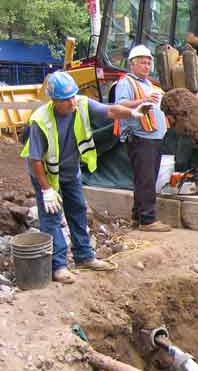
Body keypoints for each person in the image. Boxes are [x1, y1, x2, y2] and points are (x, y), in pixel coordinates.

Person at [20, 72, 152, 284]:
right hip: (46, 175)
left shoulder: (81, 104)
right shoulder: (40, 120)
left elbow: (109, 110)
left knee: (78, 209)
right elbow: (35, 159)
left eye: (74, 96)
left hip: (71, 170)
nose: (72, 102)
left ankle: (84, 256)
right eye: (66, 99)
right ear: (54, 100)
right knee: (51, 217)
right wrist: (46, 191)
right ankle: (58, 266)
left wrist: (132, 113)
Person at [114, 45, 173, 232]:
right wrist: (143, 100)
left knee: (145, 179)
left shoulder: (150, 85)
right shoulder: (126, 83)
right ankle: (148, 220)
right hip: (140, 138)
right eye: (143, 62)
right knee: (146, 179)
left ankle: (137, 216)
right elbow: (121, 104)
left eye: (149, 63)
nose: (147, 66)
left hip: (153, 137)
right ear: (132, 64)